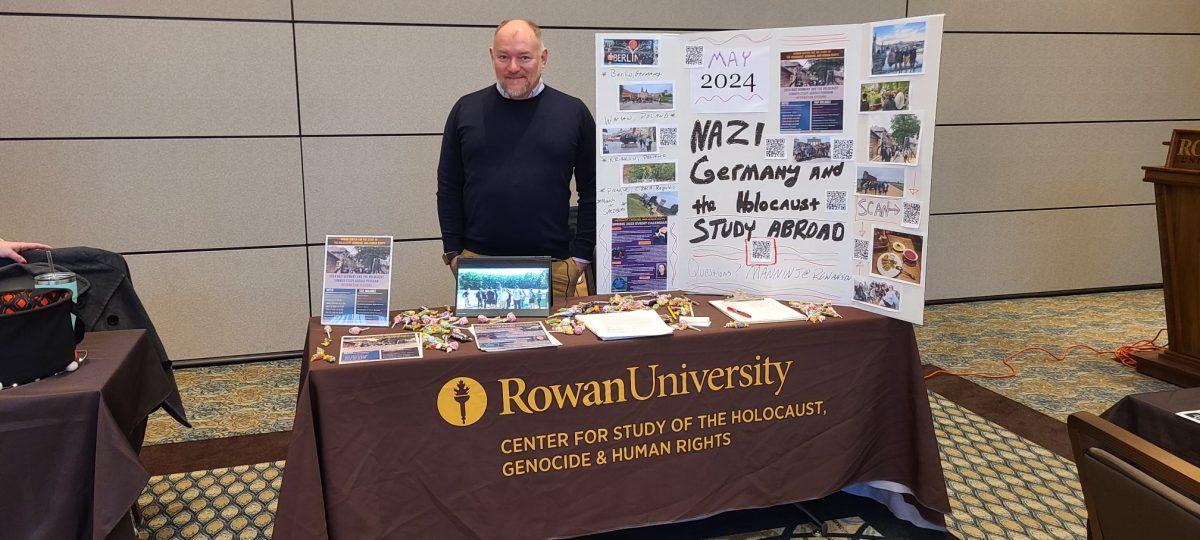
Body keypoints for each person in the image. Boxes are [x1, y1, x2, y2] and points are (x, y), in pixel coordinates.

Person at [437, 19, 596, 299]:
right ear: (491, 56)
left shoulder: (574, 113)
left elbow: (593, 190)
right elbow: (448, 188)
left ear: (543, 58)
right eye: (503, 57)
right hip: (478, 267)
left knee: (557, 343)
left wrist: (582, 256)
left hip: (554, 269)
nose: (513, 67)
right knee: (479, 343)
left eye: (524, 57)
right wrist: (453, 253)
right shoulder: (465, 110)